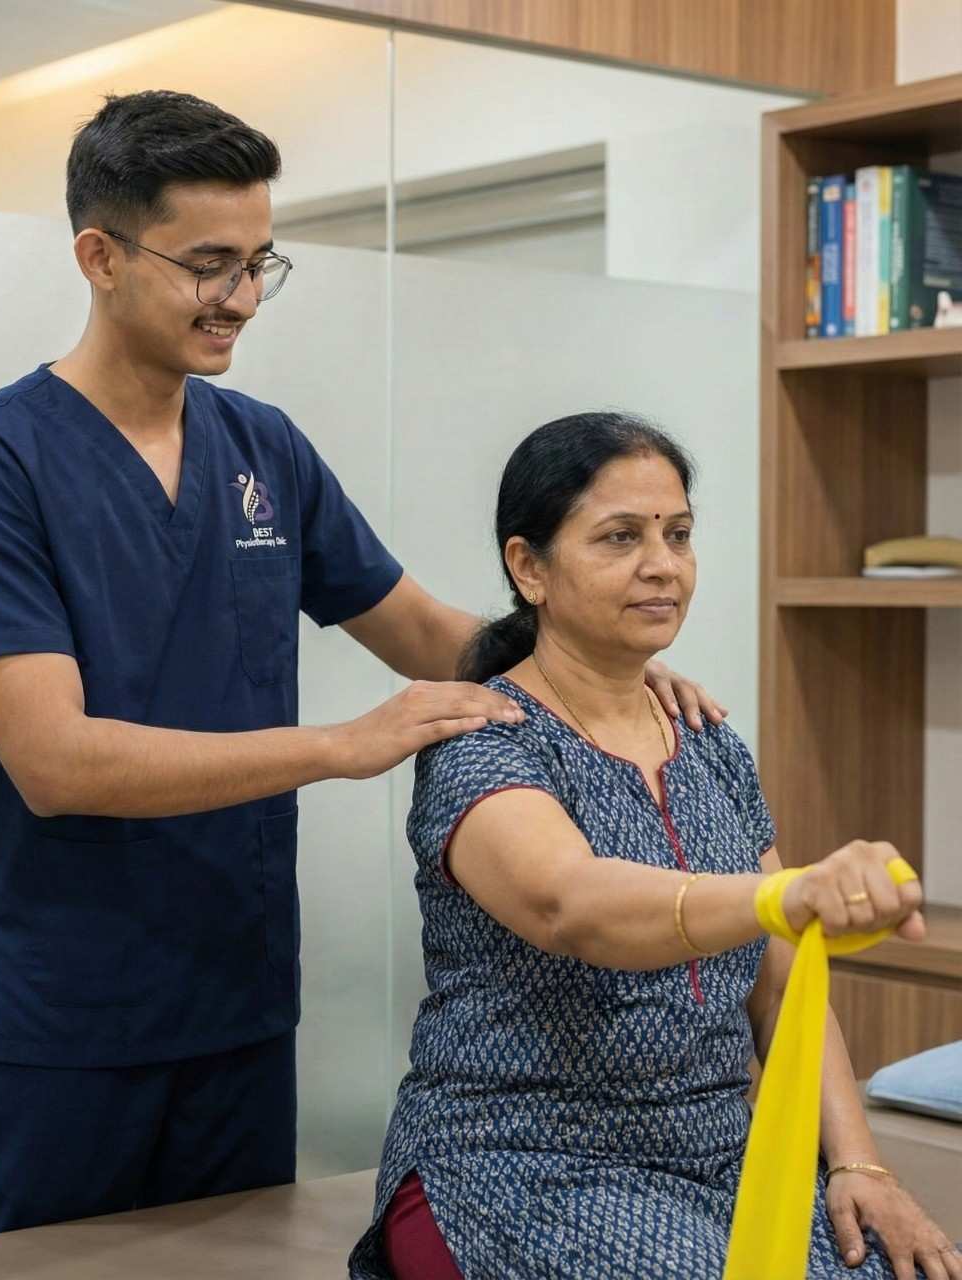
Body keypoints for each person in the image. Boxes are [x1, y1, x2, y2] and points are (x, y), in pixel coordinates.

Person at [0, 93, 722, 1241]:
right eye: (208, 264)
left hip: (238, 998)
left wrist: (604, 672)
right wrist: (343, 746)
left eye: (258, 263)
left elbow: (432, 633)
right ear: (98, 255)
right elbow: (52, 758)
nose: (240, 299)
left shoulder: (262, 449)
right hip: (64, 1017)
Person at [349, 412, 960, 1280]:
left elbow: (781, 981)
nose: (662, 565)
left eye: (678, 535)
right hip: (520, 1166)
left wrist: (861, 1166)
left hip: (720, 1160)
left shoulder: (706, 739)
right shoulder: (484, 741)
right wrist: (775, 899)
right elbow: (573, 904)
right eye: (620, 538)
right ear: (531, 568)